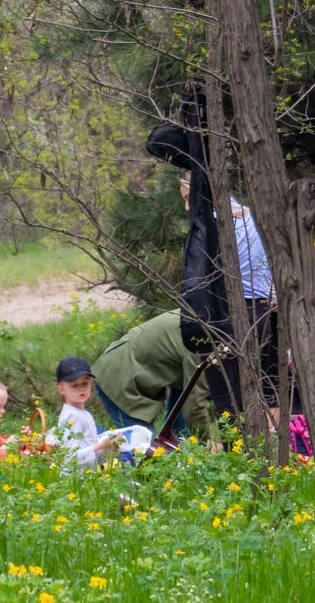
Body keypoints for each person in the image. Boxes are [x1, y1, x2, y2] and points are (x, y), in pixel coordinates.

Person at [179, 170, 278, 419]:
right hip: (262, 311)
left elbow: (202, 280)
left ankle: (236, 452)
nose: (186, 206)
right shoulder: (254, 217)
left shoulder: (210, 224)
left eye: (189, 197)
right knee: (262, 392)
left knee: (227, 399)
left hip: (225, 316)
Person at [92, 310, 213, 436]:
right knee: (144, 447)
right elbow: (195, 405)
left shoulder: (196, 310)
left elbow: (187, 391)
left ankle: (180, 442)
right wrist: (205, 445)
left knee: (170, 447)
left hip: (127, 366)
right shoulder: (198, 337)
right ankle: (81, 437)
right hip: (118, 376)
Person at [51, 356, 118, 469]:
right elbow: (70, 457)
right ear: (61, 389)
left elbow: (90, 454)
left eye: (85, 383)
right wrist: (101, 445)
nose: (81, 388)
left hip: (87, 475)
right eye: (74, 385)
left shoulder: (82, 413)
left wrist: (108, 451)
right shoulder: (72, 416)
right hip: (74, 480)